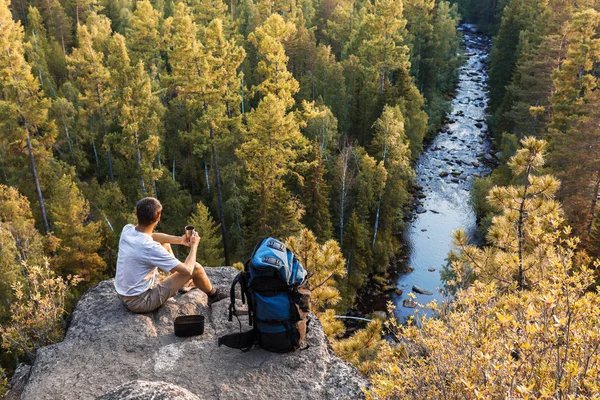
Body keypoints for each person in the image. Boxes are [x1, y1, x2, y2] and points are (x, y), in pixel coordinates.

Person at [115, 197, 227, 313]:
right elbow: (188, 269)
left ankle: (185, 282)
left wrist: (180, 240)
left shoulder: (127, 230)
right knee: (196, 268)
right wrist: (194, 246)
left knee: (165, 244)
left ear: (138, 214)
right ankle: (214, 295)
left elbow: (151, 236)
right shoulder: (150, 247)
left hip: (122, 293)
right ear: (158, 217)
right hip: (141, 301)